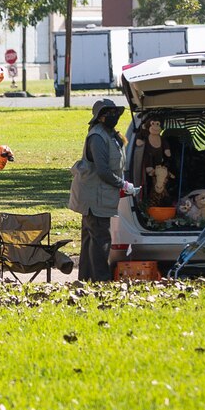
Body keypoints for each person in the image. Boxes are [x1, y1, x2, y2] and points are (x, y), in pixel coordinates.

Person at [75, 99, 134, 283]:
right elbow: (103, 171)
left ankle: (86, 280)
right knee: (101, 239)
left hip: (100, 195)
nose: (113, 117)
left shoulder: (111, 135)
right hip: (93, 197)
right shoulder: (97, 137)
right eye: (108, 113)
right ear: (99, 117)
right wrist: (123, 185)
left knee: (91, 239)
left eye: (115, 113)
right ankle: (101, 281)